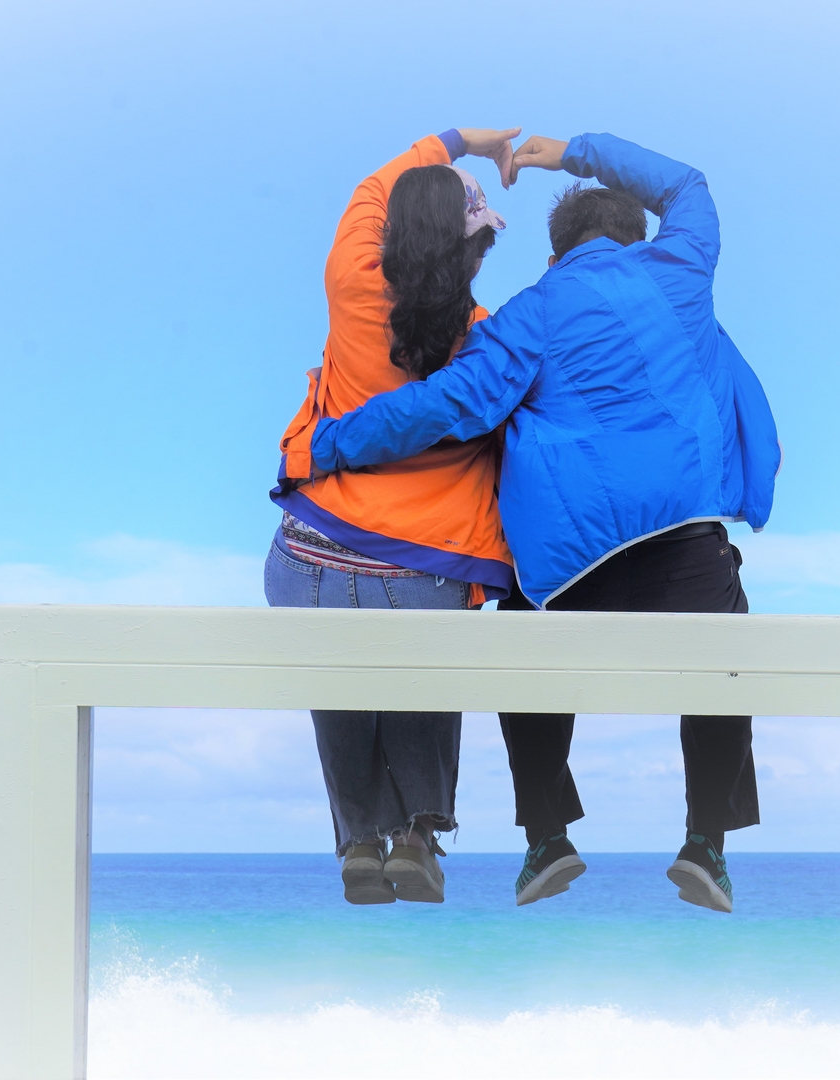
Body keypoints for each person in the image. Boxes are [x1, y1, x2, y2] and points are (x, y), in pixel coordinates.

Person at [308, 132, 782, 913]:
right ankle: (705, 845)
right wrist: (573, 152)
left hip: (567, 573)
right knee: (723, 665)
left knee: (520, 650)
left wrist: (329, 442)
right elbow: (686, 184)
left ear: (555, 255)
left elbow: (444, 406)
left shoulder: (526, 316)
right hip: (685, 550)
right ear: (635, 238)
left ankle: (546, 837)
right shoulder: (680, 269)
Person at [266, 126, 522, 906]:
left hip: (309, 553)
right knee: (422, 684)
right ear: (470, 256)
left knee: (338, 691)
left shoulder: (350, 281)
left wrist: (459, 141)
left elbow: (372, 187)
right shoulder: (483, 343)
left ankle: (356, 842)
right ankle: (415, 834)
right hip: (423, 565)